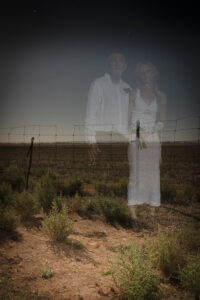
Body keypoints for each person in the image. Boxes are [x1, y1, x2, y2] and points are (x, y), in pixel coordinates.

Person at [128, 61, 167, 219]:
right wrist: (139, 133)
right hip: (135, 137)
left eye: (148, 71)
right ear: (138, 75)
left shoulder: (161, 96)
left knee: (153, 174)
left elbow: (162, 121)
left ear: (154, 73)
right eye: (142, 72)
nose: (145, 75)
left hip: (153, 139)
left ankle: (151, 214)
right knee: (135, 174)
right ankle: (133, 215)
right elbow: (129, 120)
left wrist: (153, 137)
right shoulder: (134, 93)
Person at [85, 52, 131, 164]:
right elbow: (90, 114)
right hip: (103, 139)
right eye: (113, 60)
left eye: (120, 60)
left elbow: (131, 117)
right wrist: (91, 141)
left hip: (124, 140)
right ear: (108, 64)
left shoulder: (128, 88)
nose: (116, 63)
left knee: (122, 177)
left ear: (125, 66)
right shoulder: (98, 84)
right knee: (103, 177)